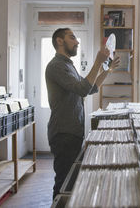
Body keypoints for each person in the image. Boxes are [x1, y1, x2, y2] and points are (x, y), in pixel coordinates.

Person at [45, 28, 120, 199]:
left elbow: (91, 87)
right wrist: (97, 62)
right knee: (64, 183)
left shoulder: (68, 65)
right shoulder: (56, 66)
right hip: (63, 133)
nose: (77, 42)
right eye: (72, 38)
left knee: (69, 181)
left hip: (71, 132)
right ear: (59, 41)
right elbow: (83, 89)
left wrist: (107, 70)